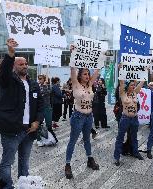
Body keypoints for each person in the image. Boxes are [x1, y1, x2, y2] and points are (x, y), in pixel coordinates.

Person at [0, 38, 43, 188]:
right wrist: (11, 53)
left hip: (29, 130)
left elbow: (40, 105)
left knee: (24, 162)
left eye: (26, 63)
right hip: (11, 130)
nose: (25, 66)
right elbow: (4, 73)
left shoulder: (33, 84)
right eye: (21, 64)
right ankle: (7, 187)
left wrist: (37, 122)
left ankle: (23, 184)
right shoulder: (8, 81)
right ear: (14, 66)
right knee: (7, 162)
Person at [65, 45, 100, 179]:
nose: (87, 75)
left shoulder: (90, 84)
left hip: (89, 116)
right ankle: (68, 164)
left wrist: (101, 56)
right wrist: (72, 53)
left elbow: (97, 70)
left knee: (87, 139)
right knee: (73, 140)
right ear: (79, 76)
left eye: (88, 74)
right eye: (85, 74)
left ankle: (89, 159)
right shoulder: (75, 84)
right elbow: (72, 68)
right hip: (78, 116)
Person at [114, 79, 145, 166]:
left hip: (134, 119)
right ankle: (117, 157)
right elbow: (121, 83)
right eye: (131, 85)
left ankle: (135, 152)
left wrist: (145, 71)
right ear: (127, 86)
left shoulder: (135, 93)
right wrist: (121, 71)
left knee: (134, 137)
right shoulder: (122, 94)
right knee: (120, 138)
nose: (133, 86)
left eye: (134, 85)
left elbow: (142, 82)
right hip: (125, 119)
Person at [37, 74, 58, 146]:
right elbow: (38, 94)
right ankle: (39, 140)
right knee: (38, 124)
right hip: (39, 108)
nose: (39, 80)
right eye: (39, 78)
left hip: (47, 108)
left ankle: (51, 138)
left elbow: (47, 92)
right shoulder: (37, 86)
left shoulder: (49, 86)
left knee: (49, 124)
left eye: (41, 78)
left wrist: (45, 85)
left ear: (45, 79)